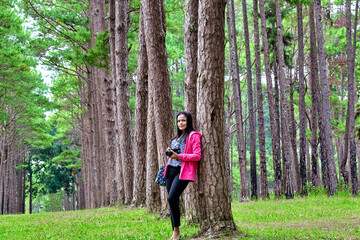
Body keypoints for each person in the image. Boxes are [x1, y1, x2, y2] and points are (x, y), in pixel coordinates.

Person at [163, 111, 201, 240]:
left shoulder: (194, 136)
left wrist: (179, 156)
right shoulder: (175, 138)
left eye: (183, 120)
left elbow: (197, 156)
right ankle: (175, 231)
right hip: (170, 171)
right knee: (172, 200)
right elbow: (173, 156)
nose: (180, 123)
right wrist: (170, 153)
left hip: (182, 171)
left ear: (188, 121)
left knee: (172, 198)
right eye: (178, 121)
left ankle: (176, 232)